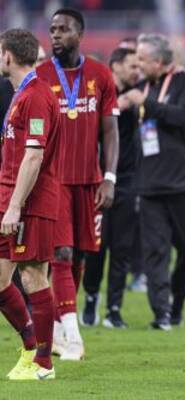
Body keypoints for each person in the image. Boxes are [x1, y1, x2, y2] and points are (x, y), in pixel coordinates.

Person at [36, 7, 120, 360]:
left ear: (80, 34)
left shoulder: (100, 75)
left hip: (89, 182)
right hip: (52, 182)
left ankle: (56, 327)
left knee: (80, 256)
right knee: (61, 254)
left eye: (63, 29)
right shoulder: (40, 76)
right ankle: (73, 337)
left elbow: (110, 131)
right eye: (53, 29)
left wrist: (109, 178)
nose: (55, 35)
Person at [120, 33, 185, 330]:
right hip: (149, 184)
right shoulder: (141, 87)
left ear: (158, 61)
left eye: (142, 59)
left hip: (182, 183)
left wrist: (146, 103)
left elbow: (183, 117)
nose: (138, 64)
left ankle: (176, 304)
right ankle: (162, 313)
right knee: (155, 251)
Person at [0, 28, 61, 380]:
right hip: (8, 196)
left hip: (30, 202)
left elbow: (34, 157)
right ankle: (28, 345)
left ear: (8, 56)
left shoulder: (37, 96)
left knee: (33, 274)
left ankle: (43, 364)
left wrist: (15, 206)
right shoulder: (20, 95)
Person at [81, 47, 140, 328]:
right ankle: (91, 296)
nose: (137, 71)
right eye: (132, 66)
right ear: (115, 66)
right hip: (99, 180)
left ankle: (114, 309)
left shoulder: (138, 94)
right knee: (97, 245)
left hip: (128, 180)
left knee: (123, 247)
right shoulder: (100, 95)